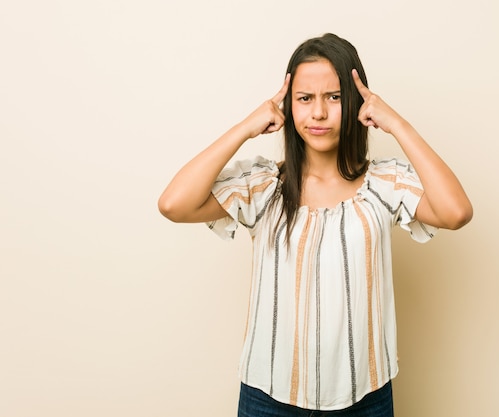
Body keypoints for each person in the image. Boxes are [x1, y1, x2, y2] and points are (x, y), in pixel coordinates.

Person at [158, 33, 472, 417]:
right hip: (268, 397)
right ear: (288, 107)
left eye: (334, 97)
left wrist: (397, 124)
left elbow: (456, 212)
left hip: (365, 399)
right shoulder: (264, 186)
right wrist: (245, 127)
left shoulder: (384, 185)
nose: (318, 113)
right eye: (305, 99)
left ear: (357, 102)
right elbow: (173, 204)